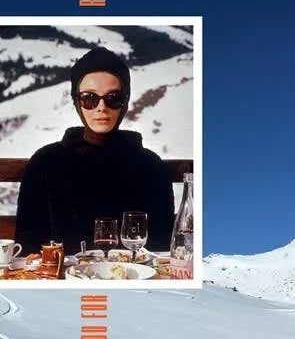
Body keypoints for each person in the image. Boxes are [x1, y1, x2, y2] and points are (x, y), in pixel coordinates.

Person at [14, 47, 175, 255]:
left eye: (113, 98)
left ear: (125, 102)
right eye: (89, 98)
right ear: (76, 102)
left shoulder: (152, 167)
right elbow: (28, 246)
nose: (101, 107)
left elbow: (163, 249)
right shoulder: (45, 163)